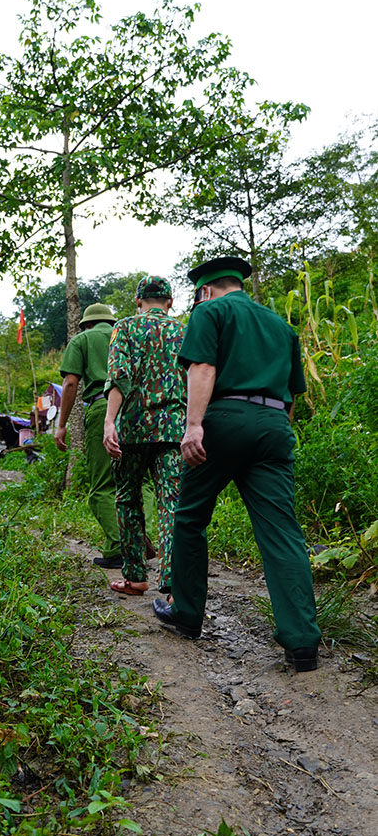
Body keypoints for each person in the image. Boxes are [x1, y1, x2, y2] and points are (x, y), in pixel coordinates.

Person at [151, 256, 322, 672]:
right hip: (274, 425)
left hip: (224, 420)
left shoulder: (210, 311)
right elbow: (292, 396)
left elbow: (203, 367)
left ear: (205, 290)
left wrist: (194, 426)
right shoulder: (281, 326)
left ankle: (187, 614)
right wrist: (272, 432)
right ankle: (302, 643)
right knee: (282, 531)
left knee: (189, 518)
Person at [103, 276, 186, 596]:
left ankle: (136, 576)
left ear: (138, 301)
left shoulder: (124, 328)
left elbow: (119, 377)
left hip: (133, 429)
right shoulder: (184, 331)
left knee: (127, 499)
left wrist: (110, 422)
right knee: (172, 503)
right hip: (173, 430)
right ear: (170, 302)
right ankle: (172, 578)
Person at [56, 303, 122, 566]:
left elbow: (71, 382)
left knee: (102, 487)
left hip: (103, 406)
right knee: (141, 483)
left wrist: (62, 425)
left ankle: (122, 546)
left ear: (86, 324)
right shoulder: (125, 336)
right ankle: (143, 536)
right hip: (138, 411)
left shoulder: (82, 339)